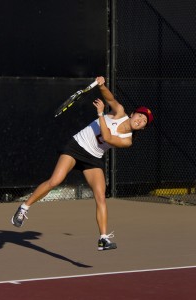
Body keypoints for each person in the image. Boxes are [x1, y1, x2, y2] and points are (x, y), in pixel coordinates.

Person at [11, 76, 154, 251]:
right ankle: (24, 207)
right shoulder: (119, 111)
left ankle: (103, 239)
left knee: (101, 196)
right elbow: (109, 98)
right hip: (76, 146)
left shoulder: (127, 141)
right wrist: (101, 85)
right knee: (55, 181)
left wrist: (101, 114)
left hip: (93, 158)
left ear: (142, 128)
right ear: (132, 114)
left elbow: (108, 137)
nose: (140, 120)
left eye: (144, 121)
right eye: (140, 115)